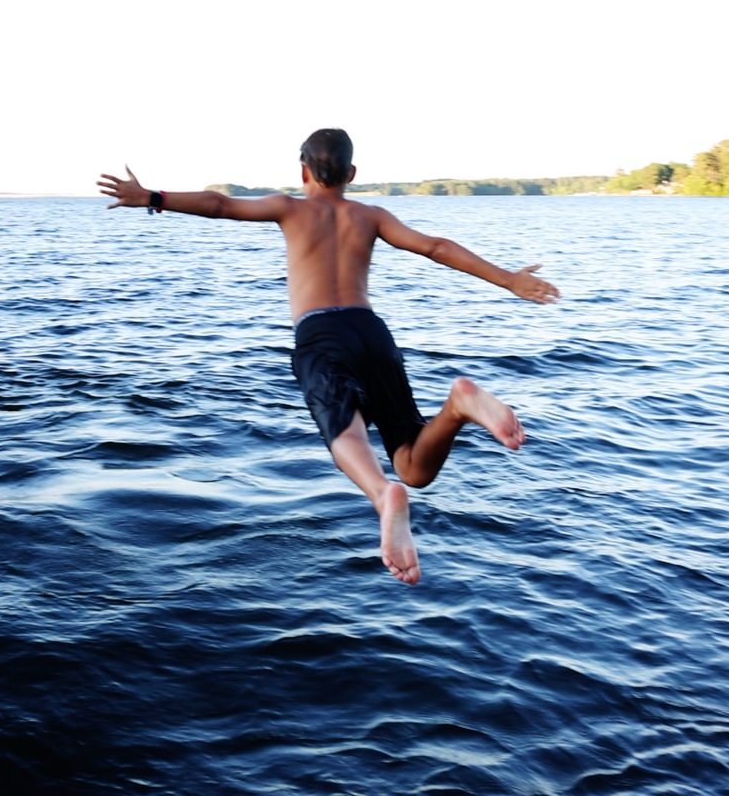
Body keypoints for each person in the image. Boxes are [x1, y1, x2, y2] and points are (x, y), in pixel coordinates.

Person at [98, 128, 560, 584]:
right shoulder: (371, 215)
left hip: (321, 332)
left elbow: (219, 205)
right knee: (413, 466)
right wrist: (508, 279)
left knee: (345, 431)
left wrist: (153, 196)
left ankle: (382, 495)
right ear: (352, 173)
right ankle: (458, 406)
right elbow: (435, 247)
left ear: (302, 170)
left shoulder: (289, 208)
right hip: (372, 333)